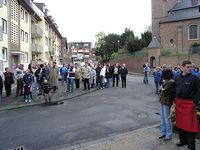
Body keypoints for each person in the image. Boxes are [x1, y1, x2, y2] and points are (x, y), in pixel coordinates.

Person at [175, 60, 200, 150]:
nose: (190, 68)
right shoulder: (177, 77)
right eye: (188, 67)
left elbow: (199, 90)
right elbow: (175, 88)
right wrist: (175, 98)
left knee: (190, 127)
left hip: (189, 105)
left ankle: (191, 146)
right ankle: (183, 141)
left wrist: (195, 102)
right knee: (180, 124)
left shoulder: (195, 77)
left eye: (191, 67)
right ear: (182, 68)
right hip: (179, 104)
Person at [159, 69, 175, 141]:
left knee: (167, 118)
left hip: (167, 102)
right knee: (162, 118)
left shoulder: (171, 82)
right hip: (162, 101)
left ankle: (169, 135)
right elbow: (161, 90)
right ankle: (163, 132)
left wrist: (162, 89)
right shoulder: (166, 81)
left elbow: (164, 92)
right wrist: (162, 89)